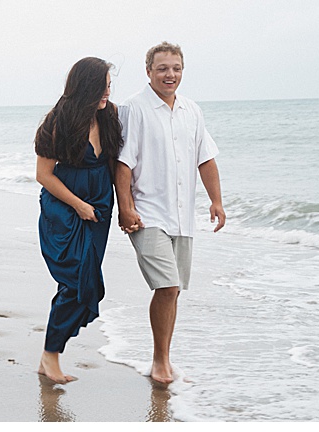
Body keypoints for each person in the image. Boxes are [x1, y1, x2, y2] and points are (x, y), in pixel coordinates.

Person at [115, 41, 225, 385]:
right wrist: (126, 208)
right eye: (162, 68)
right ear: (148, 71)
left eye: (176, 68)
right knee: (167, 285)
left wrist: (216, 201)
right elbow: (122, 163)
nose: (170, 74)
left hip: (182, 215)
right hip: (147, 214)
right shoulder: (133, 109)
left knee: (173, 290)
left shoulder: (192, 110)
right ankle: (159, 362)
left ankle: (165, 358)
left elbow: (204, 158)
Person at [33, 57, 122, 384]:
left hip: (100, 208)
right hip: (65, 210)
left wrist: (126, 205)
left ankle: (50, 354)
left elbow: (116, 165)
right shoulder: (58, 122)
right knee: (76, 282)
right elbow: (43, 175)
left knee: (86, 283)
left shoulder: (109, 116)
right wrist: (79, 205)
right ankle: (50, 355)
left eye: (110, 87)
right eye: (103, 87)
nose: (108, 94)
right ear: (86, 86)